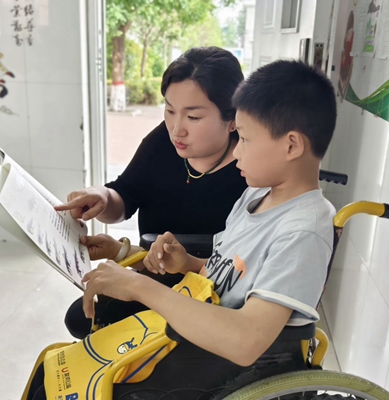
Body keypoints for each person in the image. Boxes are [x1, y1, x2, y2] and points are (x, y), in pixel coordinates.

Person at [24, 59, 338, 399]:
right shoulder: (257, 195)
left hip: (219, 365)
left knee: (63, 388)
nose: (237, 151)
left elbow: (246, 341)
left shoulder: (303, 231)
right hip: (196, 336)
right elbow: (228, 275)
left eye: (245, 139)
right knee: (53, 374)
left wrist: (139, 286)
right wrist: (187, 262)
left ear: (291, 146)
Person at [56, 47, 248, 338]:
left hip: (209, 296)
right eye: (170, 111)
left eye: (193, 117)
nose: (176, 130)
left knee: (87, 321)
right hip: (153, 274)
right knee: (80, 317)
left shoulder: (251, 170)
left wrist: (123, 254)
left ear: (232, 118)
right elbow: (126, 195)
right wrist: (103, 197)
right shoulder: (163, 142)